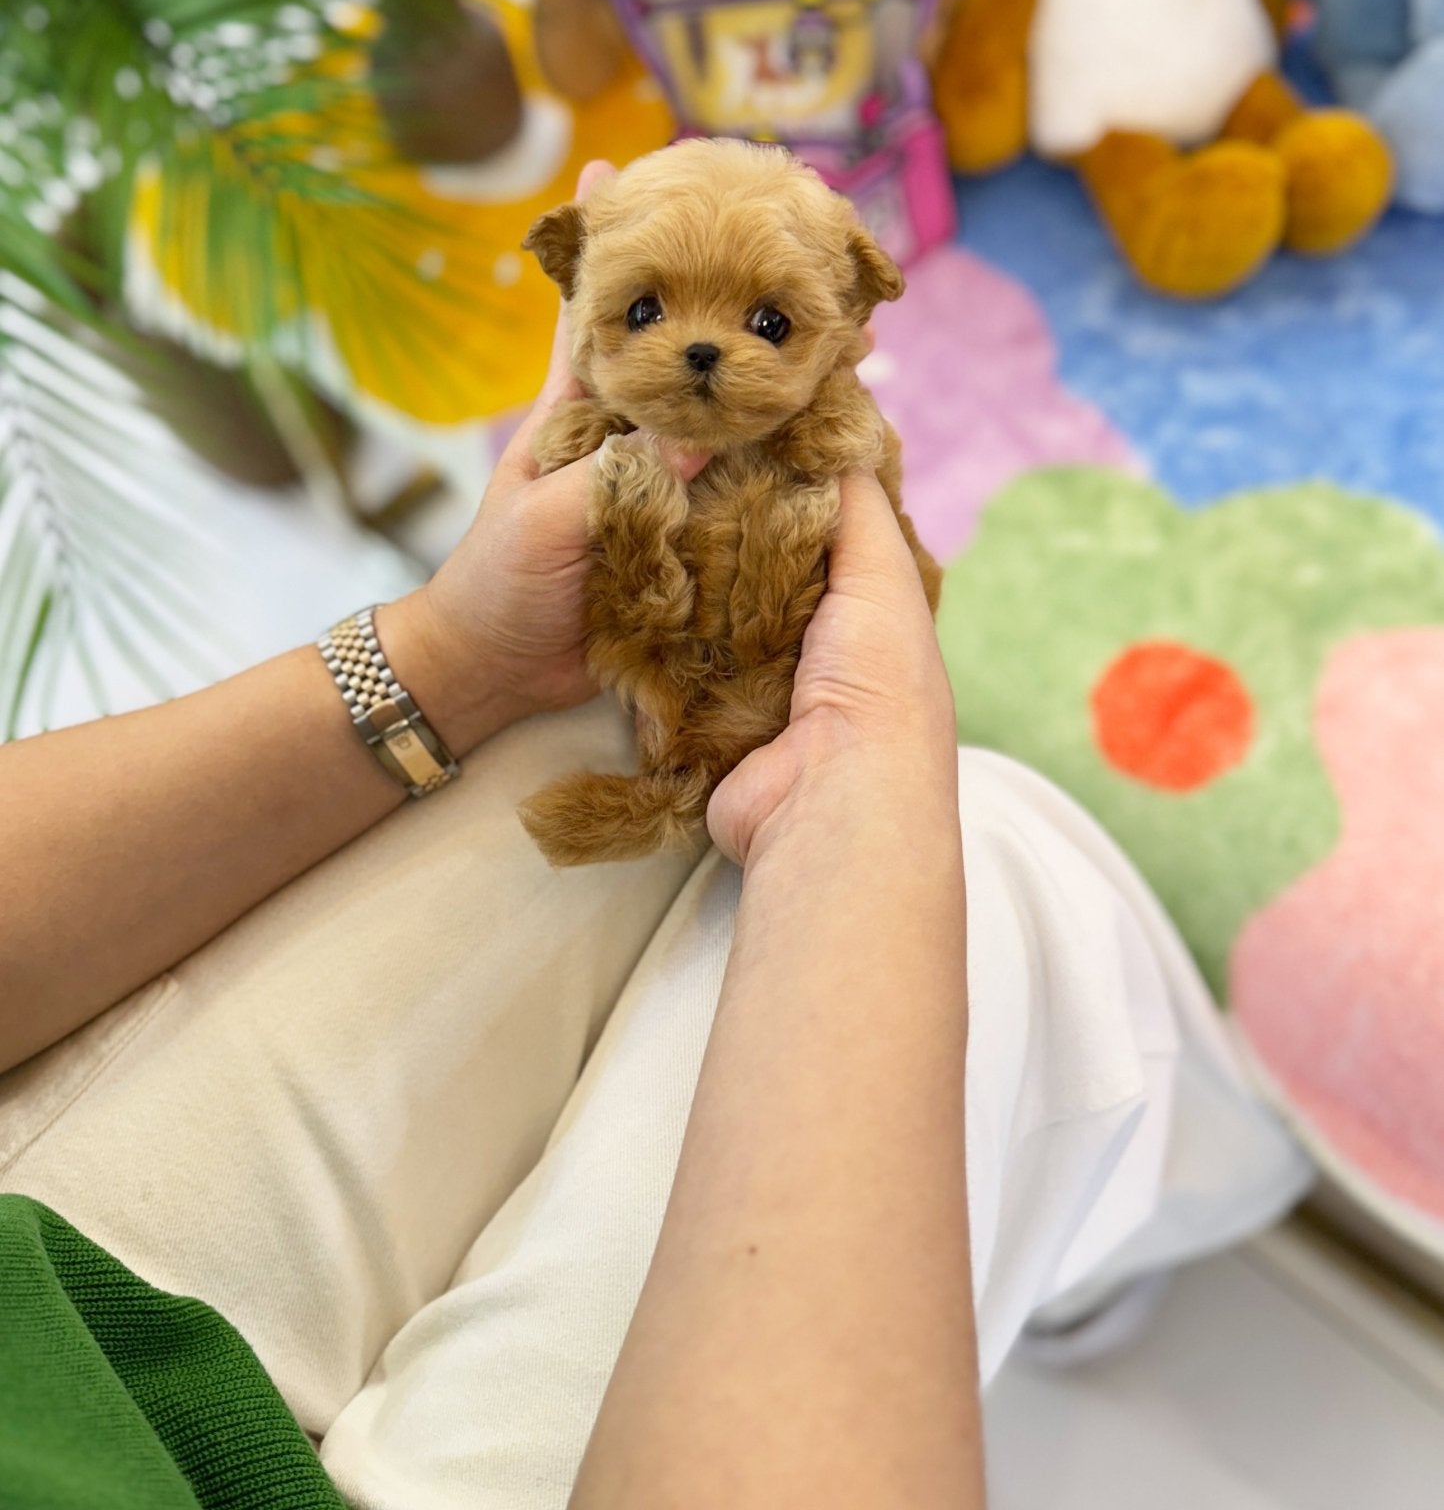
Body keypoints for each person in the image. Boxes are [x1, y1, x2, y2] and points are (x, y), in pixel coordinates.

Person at [0, 167, 1306, 1510]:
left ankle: (1072, 1208)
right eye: (643, 313)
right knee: (1008, 881)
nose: (701, 355)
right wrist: (861, 820)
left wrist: (454, 656)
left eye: (764, 324)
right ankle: (1092, 1217)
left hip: (46, 1268)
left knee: (575, 744)